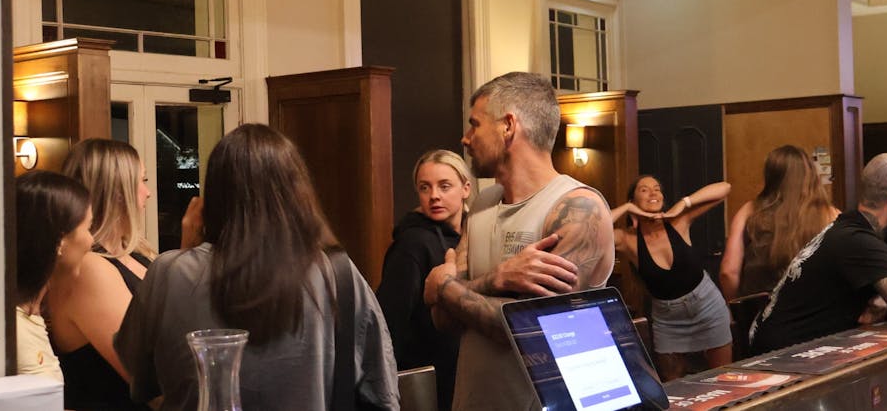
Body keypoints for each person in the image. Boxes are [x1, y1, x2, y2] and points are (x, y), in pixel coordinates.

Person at [115, 124, 399, 410]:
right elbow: (381, 391)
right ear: (299, 195)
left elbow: (142, 378)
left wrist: (187, 250)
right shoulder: (336, 273)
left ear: (212, 198)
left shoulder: (168, 273)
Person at [424, 72, 615, 411]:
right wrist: (497, 279)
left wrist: (444, 285)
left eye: (475, 124)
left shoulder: (577, 207)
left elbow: (530, 330)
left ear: (508, 126)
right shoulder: (482, 204)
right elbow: (442, 318)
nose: (466, 139)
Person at [750, 153, 887, 355]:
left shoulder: (860, 230)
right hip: (782, 356)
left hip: (798, 347)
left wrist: (885, 303)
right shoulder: (856, 239)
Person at [48, 139, 153, 410]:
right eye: (142, 181)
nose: (148, 193)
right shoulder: (89, 269)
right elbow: (147, 375)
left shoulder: (136, 253)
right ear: (117, 192)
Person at [376, 149, 471, 411]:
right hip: (426, 378)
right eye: (424, 187)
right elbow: (388, 320)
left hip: (464, 373)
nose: (434, 196)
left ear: (465, 188)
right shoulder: (413, 243)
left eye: (444, 186)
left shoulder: (473, 234)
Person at [611, 176, 733, 380]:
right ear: (633, 201)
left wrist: (683, 203)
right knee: (674, 386)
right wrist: (626, 208)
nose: (653, 193)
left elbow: (724, 188)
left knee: (723, 379)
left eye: (657, 189)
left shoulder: (679, 221)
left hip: (707, 306)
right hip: (668, 321)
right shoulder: (627, 238)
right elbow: (592, 229)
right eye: (644, 190)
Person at [719, 145, 840, 300]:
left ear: (771, 177)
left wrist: (739, 306)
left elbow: (728, 273)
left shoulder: (749, 211)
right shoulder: (831, 215)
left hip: (760, 309)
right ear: (810, 175)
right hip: (813, 307)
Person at [15, 171, 93, 381]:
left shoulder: (32, 313)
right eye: (88, 228)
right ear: (60, 241)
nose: (91, 240)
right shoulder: (12, 329)